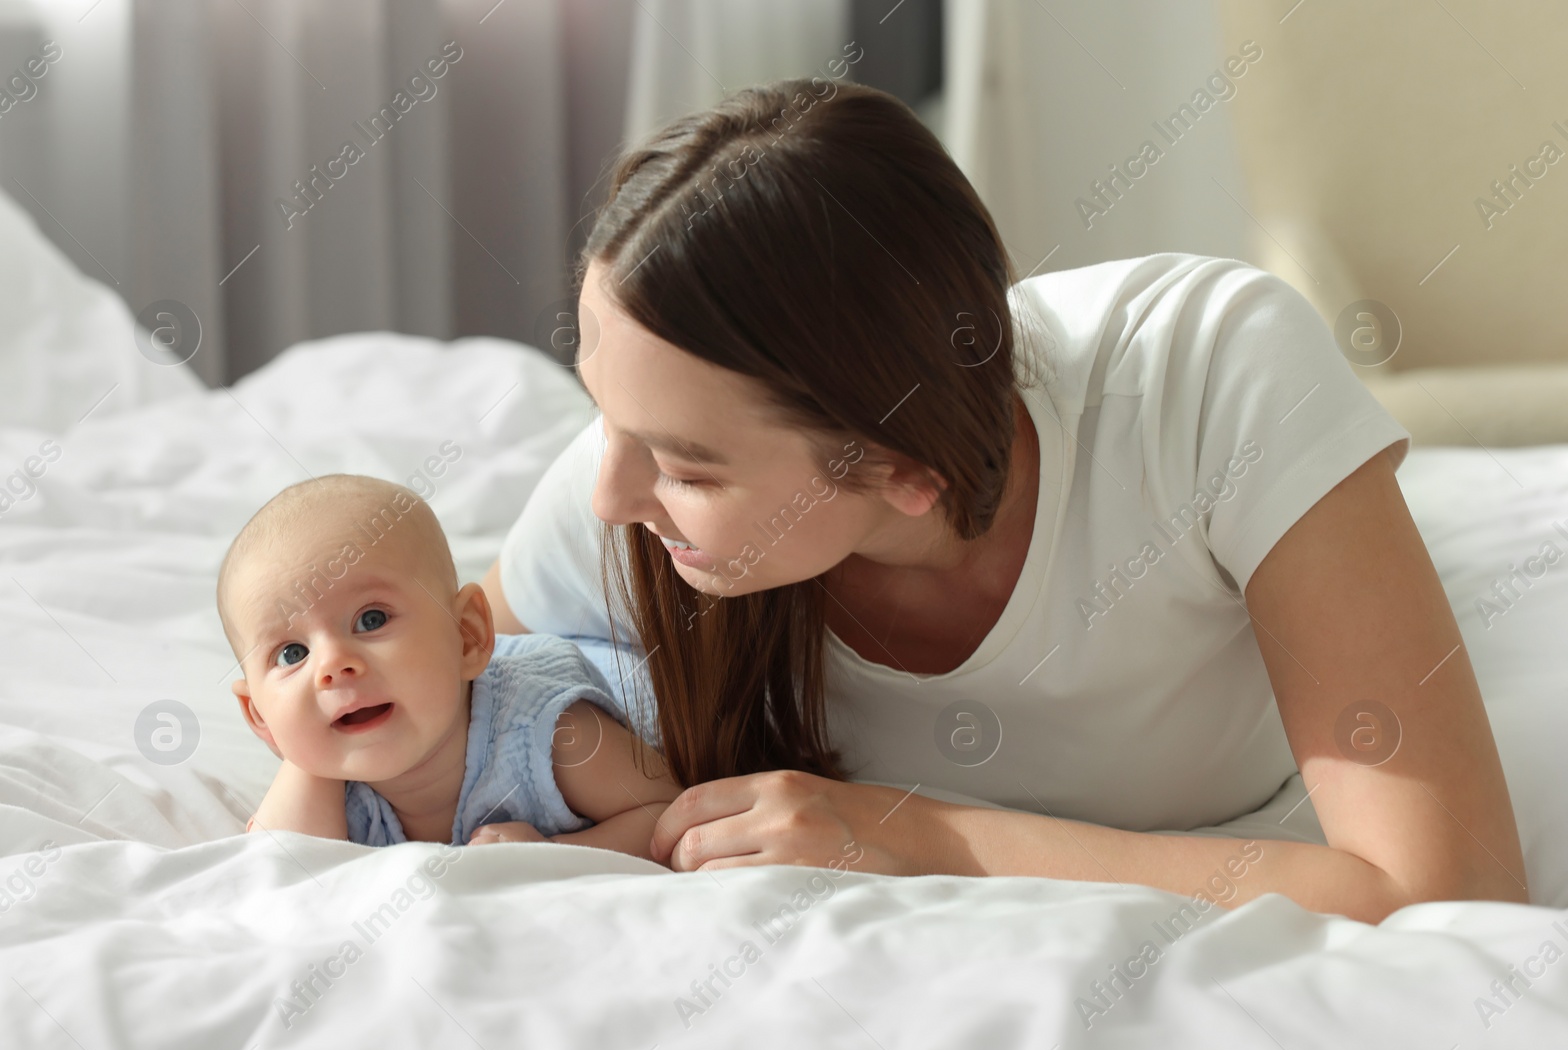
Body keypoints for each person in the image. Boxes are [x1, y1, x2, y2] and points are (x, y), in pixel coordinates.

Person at [482, 78, 1528, 921]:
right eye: (601, 411)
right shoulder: (633, 474)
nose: (611, 495)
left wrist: (924, 835)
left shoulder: (1211, 378)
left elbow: (1440, 886)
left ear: (903, 473)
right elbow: (433, 662)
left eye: (688, 468)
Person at [217, 473, 680, 856]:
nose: (333, 666)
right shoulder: (326, 770)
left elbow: (665, 814)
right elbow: (277, 871)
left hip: (632, 670)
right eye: (292, 654)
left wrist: (553, 850)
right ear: (259, 715)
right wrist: (303, 747)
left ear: (466, 636)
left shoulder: (548, 727)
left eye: (370, 619)